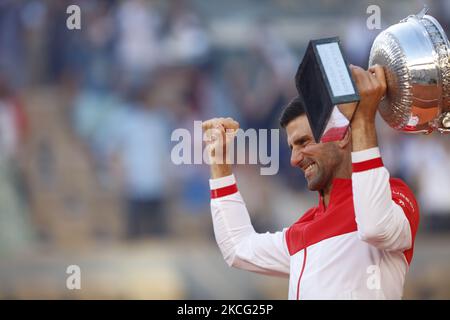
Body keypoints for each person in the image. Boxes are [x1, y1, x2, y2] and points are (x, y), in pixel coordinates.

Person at [202, 65, 420, 299]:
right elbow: (239, 249)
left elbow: (375, 227)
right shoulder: (304, 226)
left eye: (304, 142)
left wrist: (363, 122)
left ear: (343, 136)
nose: (295, 159)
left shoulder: (393, 196)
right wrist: (219, 162)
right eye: (292, 147)